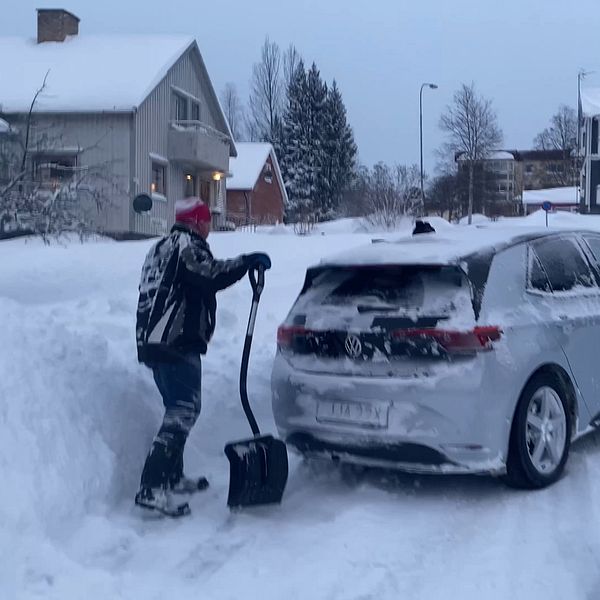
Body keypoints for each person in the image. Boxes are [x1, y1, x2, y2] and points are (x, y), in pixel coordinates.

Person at [134, 197, 271, 516]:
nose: (209, 227)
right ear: (197, 222)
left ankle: (171, 476)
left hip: (156, 341)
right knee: (183, 410)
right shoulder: (185, 245)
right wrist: (245, 262)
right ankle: (152, 488)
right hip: (174, 341)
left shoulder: (162, 246)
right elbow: (208, 274)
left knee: (179, 408)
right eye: (207, 221)